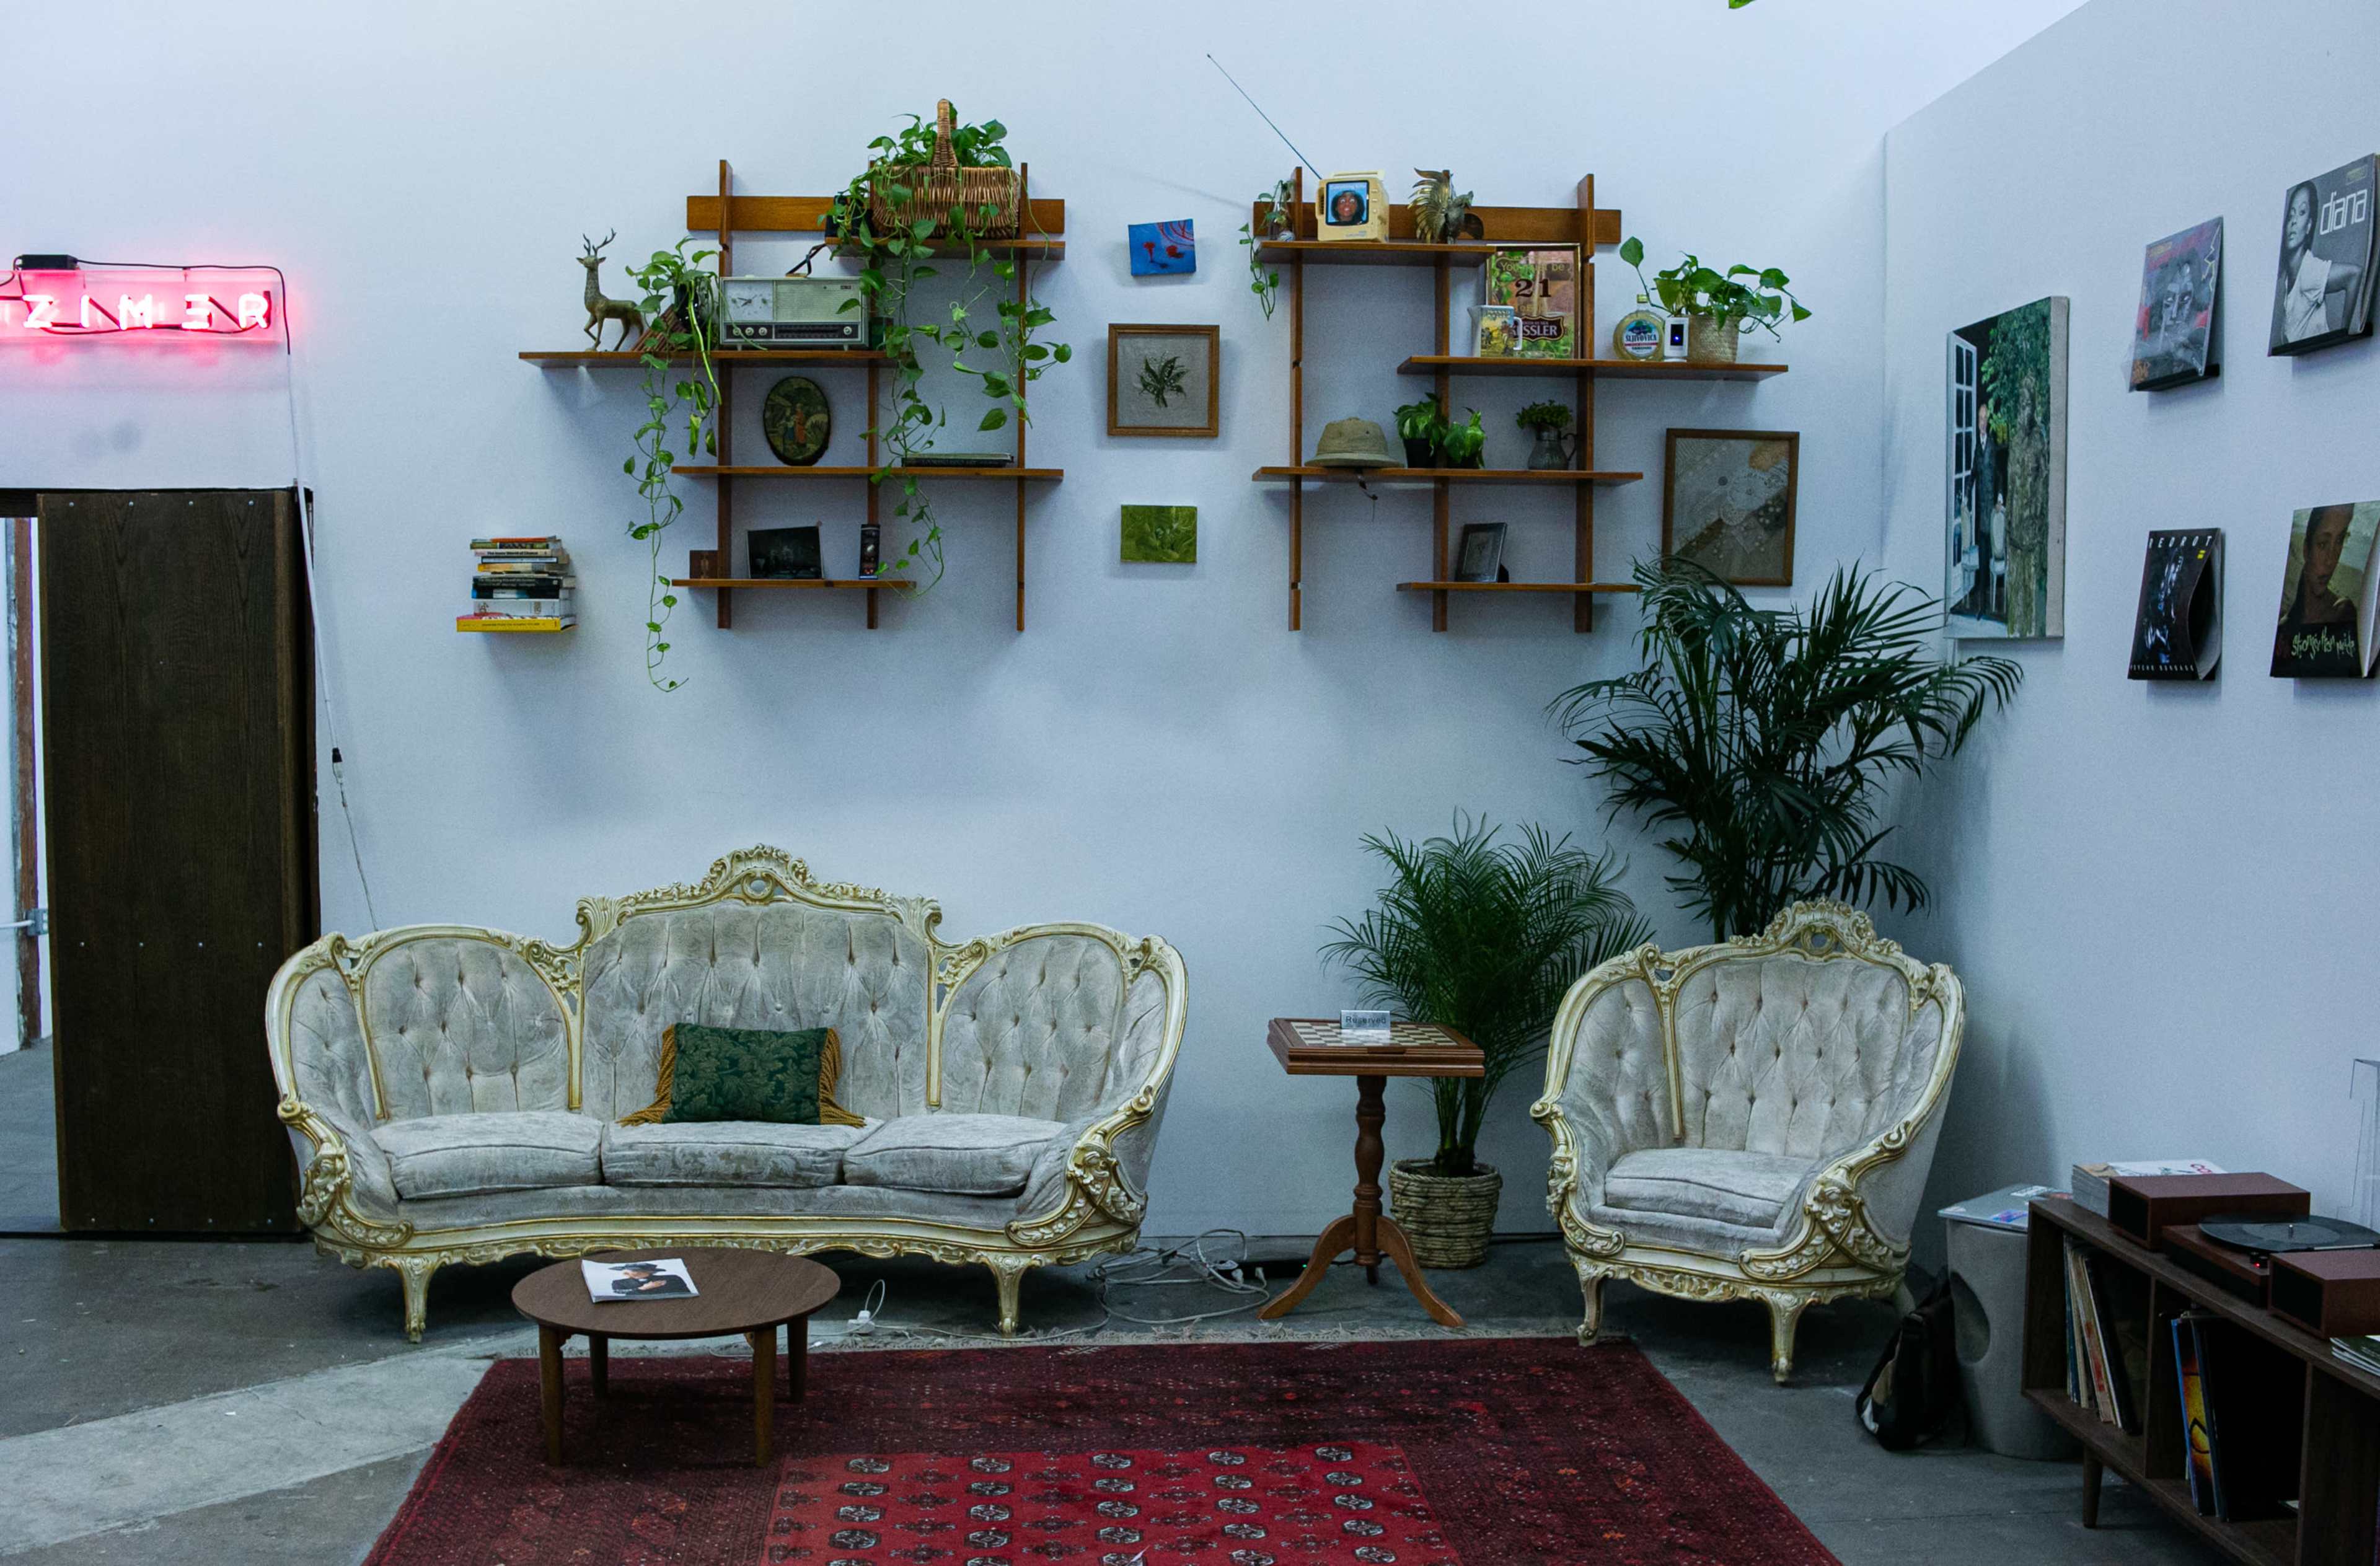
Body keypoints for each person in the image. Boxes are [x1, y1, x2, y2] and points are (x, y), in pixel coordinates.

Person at [2272, 179, 2365, 348]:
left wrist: (2344, 332)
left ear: (2309, 226)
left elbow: (2354, 274)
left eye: (2301, 213)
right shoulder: (2289, 276)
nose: (2293, 221)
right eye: (2291, 215)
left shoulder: (2309, 271)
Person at [2273, 503, 2361, 675]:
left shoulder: (2343, 611)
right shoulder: (2284, 625)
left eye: (2340, 541)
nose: (2331, 561)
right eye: (2322, 544)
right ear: (2307, 549)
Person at [608, 1260, 692, 1298]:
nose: (625, 1273)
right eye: (626, 1271)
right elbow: (618, 1295)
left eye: (634, 1270)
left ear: (649, 1272)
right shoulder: (618, 1283)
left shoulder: (673, 1279)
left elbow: (686, 1295)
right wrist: (642, 1289)